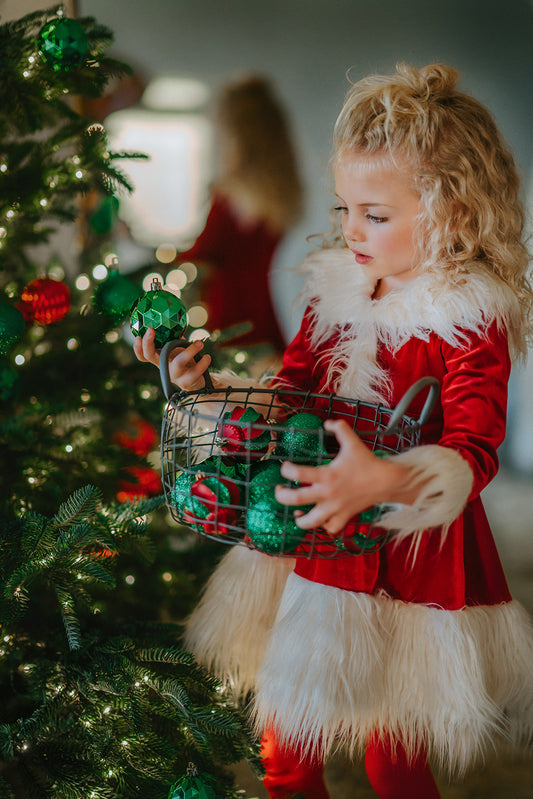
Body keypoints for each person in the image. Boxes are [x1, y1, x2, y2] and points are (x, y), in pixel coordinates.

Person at [134, 63, 533, 799]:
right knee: (285, 750)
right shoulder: (333, 292)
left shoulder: (469, 318)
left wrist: (392, 480)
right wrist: (211, 392)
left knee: (392, 757)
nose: (349, 228)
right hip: (307, 538)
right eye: (344, 206)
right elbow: (290, 393)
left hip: (403, 559)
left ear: (454, 213)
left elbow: (475, 448)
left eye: (374, 214)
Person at [174, 74, 303, 355]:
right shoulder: (281, 186)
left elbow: (203, 253)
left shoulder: (231, 192)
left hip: (228, 313)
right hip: (264, 308)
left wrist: (161, 256)